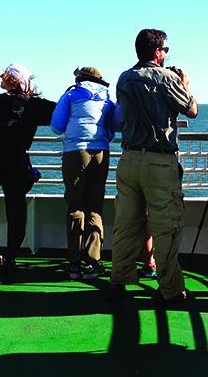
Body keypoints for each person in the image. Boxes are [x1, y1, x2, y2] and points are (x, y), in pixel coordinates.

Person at [108, 29, 198, 302]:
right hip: (160, 162)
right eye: (165, 50)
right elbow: (191, 110)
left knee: (126, 223)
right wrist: (185, 83)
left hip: (129, 159)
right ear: (158, 52)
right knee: (166, 227)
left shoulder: (124, 79)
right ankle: (170, 288)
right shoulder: (168, 79)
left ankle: (120, 277)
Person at [0, 63, 56, 269]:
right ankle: (11, 256)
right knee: (16, 211)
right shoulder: (34, 105)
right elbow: (57, 113)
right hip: (16, 164)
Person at [50, 66, 120, 279]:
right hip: (100, 153)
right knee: (95, 207)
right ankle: (93, 262)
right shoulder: (108, 98)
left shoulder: (71, 95)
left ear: (80, 78)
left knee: (75, 206)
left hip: (75, 152)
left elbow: (56, 127)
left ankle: (73, 263)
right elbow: (117, 123)